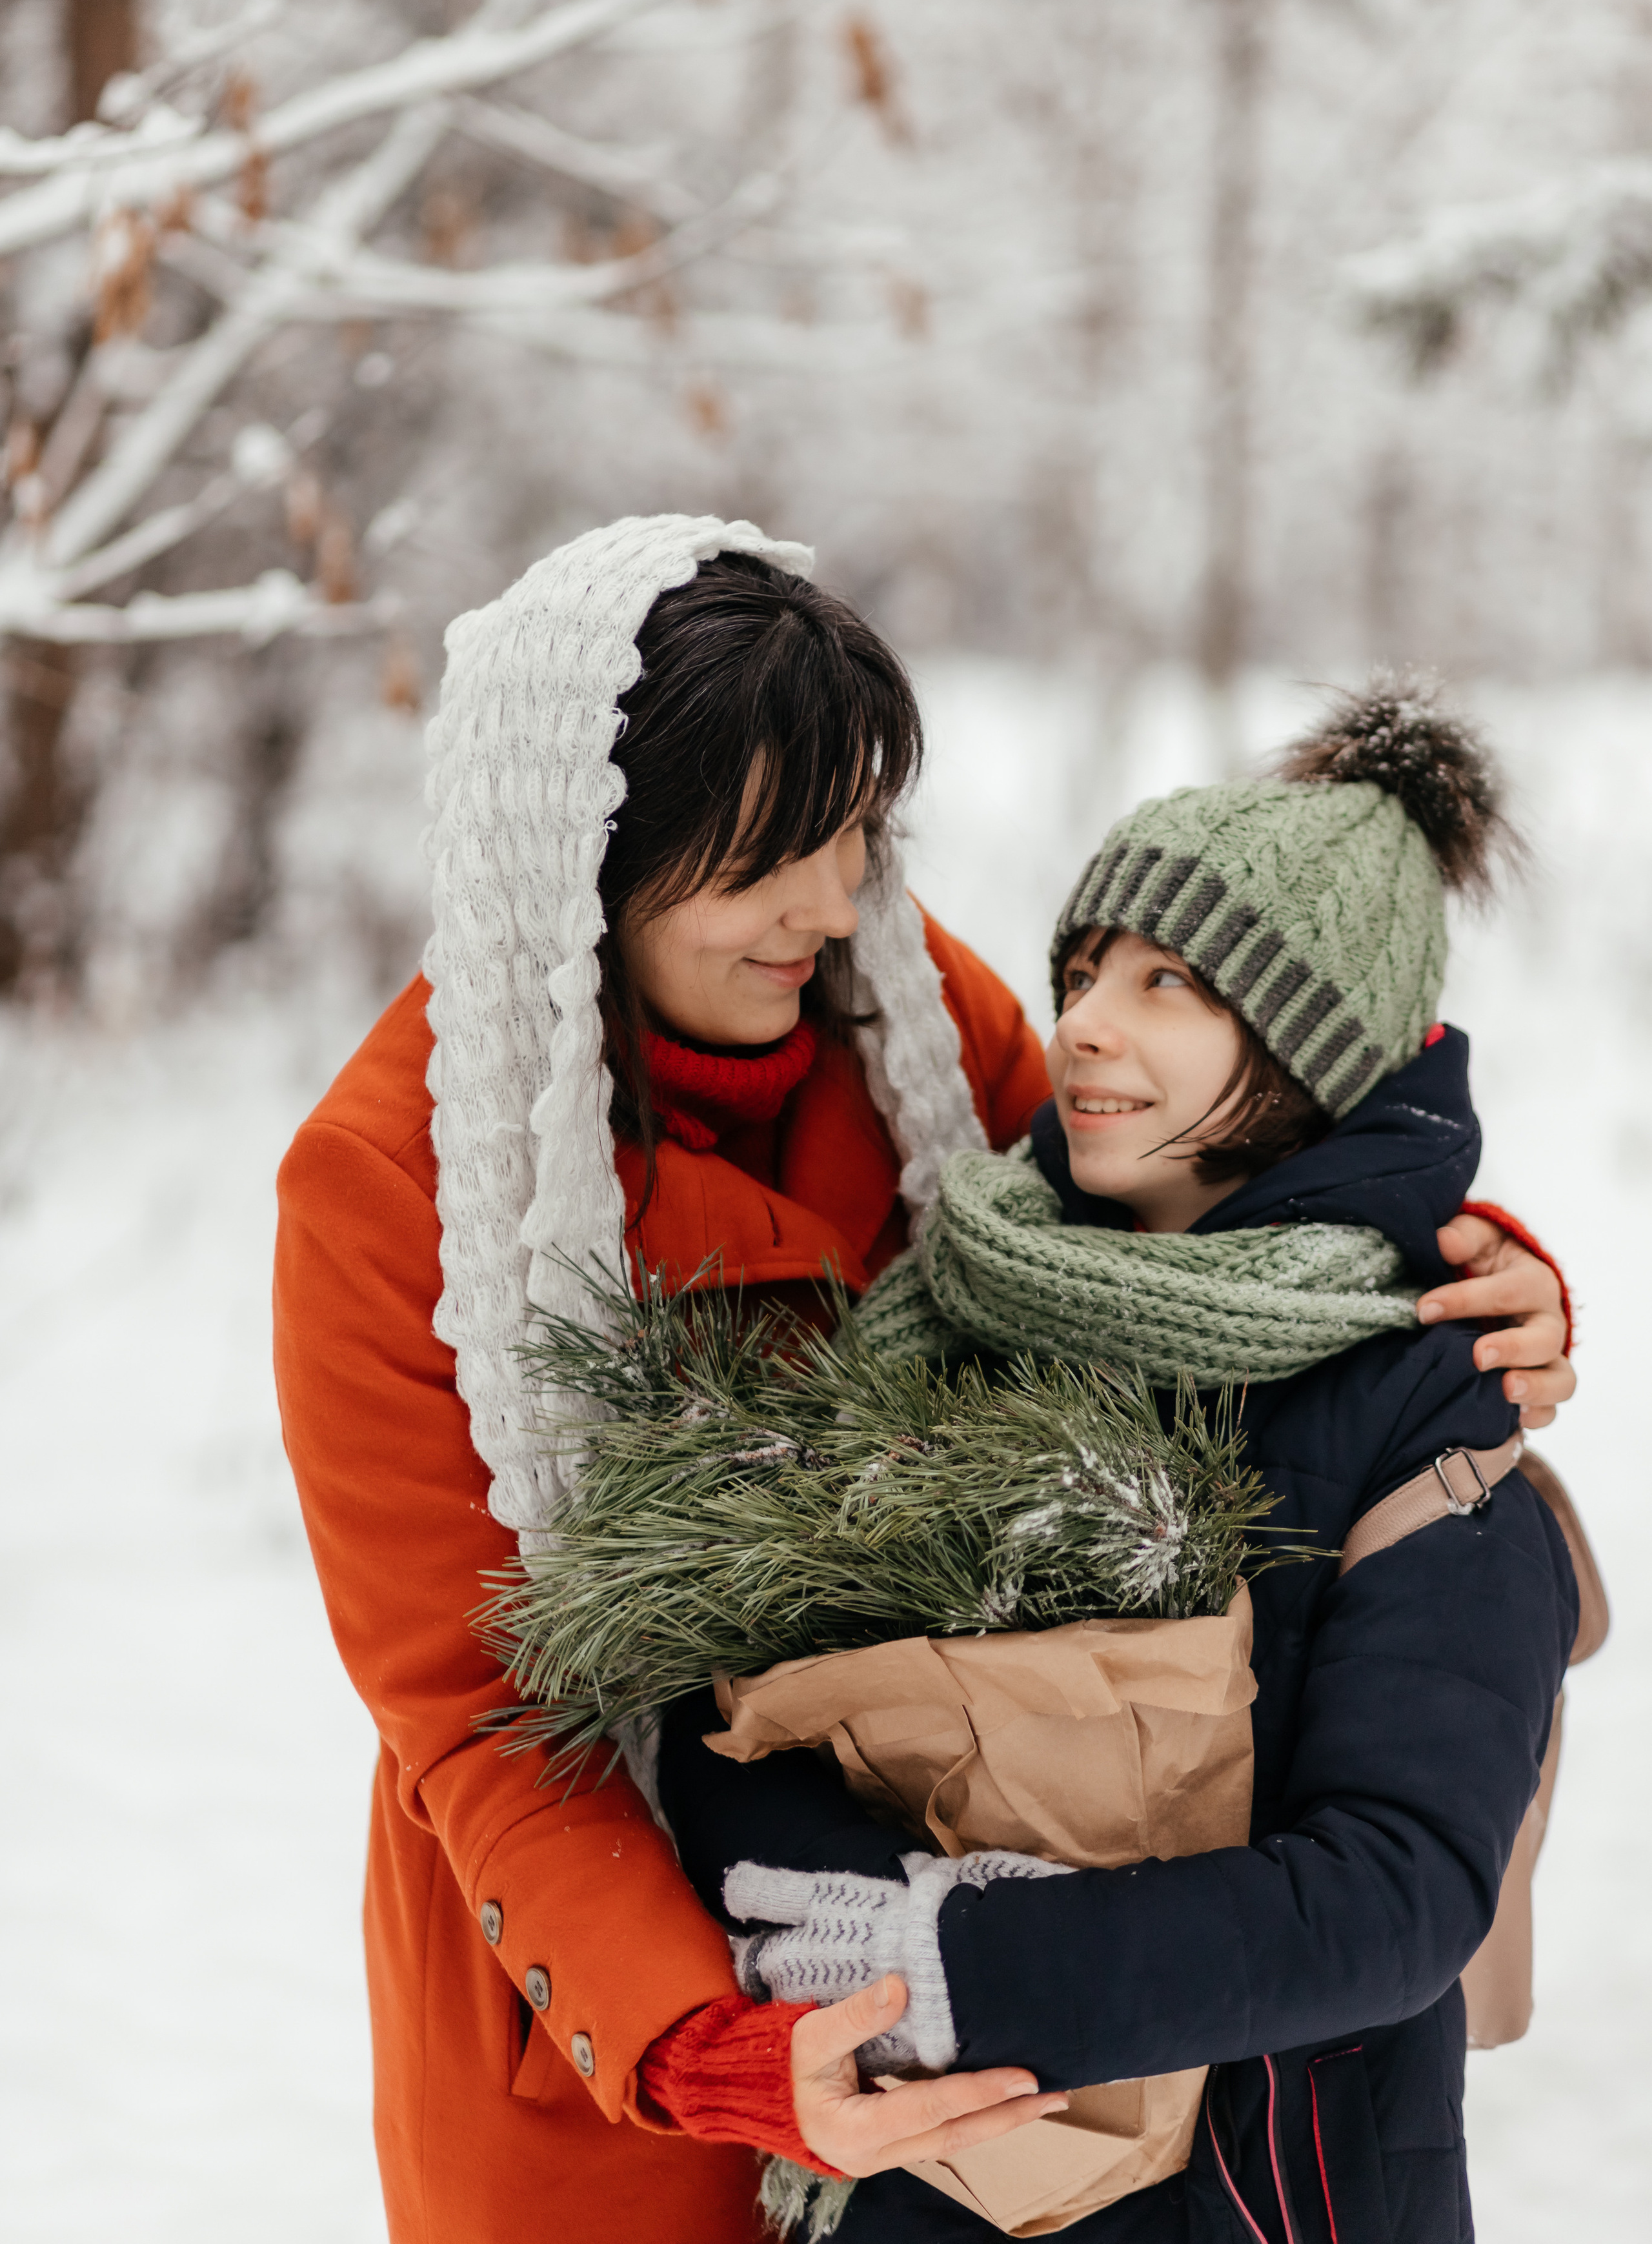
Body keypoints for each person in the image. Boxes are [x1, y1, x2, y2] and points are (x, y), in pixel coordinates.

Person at [273, 523, 1573, 2244]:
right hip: (614, 1972)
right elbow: (483, 1716)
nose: (830, 905)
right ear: (583, 862)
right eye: (759, 863)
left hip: (966, 1967)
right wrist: (725, 2047)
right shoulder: (385, 1191)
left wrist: (1463, 1261)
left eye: (856, 836)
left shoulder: (898, 1010)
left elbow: (1196, 1208)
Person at [663, 683, 1580, 2244]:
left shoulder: (1422, 1387)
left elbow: (1402, 1887)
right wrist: (851, 1926)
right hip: (932, 2184)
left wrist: (977, 1971)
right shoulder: (947, 1313)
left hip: (1279, 2188)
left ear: (1303, 1047)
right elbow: (734, 1702)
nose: (1082, 1021)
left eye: (1168, 984)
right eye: (1082, 972)